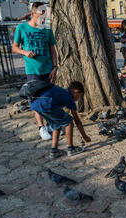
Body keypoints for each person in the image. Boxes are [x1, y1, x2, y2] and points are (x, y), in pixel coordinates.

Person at [12, 2, 57, 141]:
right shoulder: (22, 28)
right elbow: (14, 47)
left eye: (45, 16)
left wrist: (55, 68)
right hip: (33, 70)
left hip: (48, 69)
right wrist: (25, 52)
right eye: (41, 15)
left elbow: (52, 50)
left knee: (49, 97)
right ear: (32, 14)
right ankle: (41, 127)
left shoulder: (47, 29)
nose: (43, 19)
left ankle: (50, 123)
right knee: (36, 98)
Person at [29, 81, 91, 159]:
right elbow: (77, 120)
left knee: (56, 125)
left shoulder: (62, 91)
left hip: (35, 105)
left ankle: (54, 151)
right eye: (79, 96)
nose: (78, 99)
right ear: (76, 92)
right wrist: (84, 136)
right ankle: (71, 148)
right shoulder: (69, 97)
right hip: (47, 104)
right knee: (69, 122)